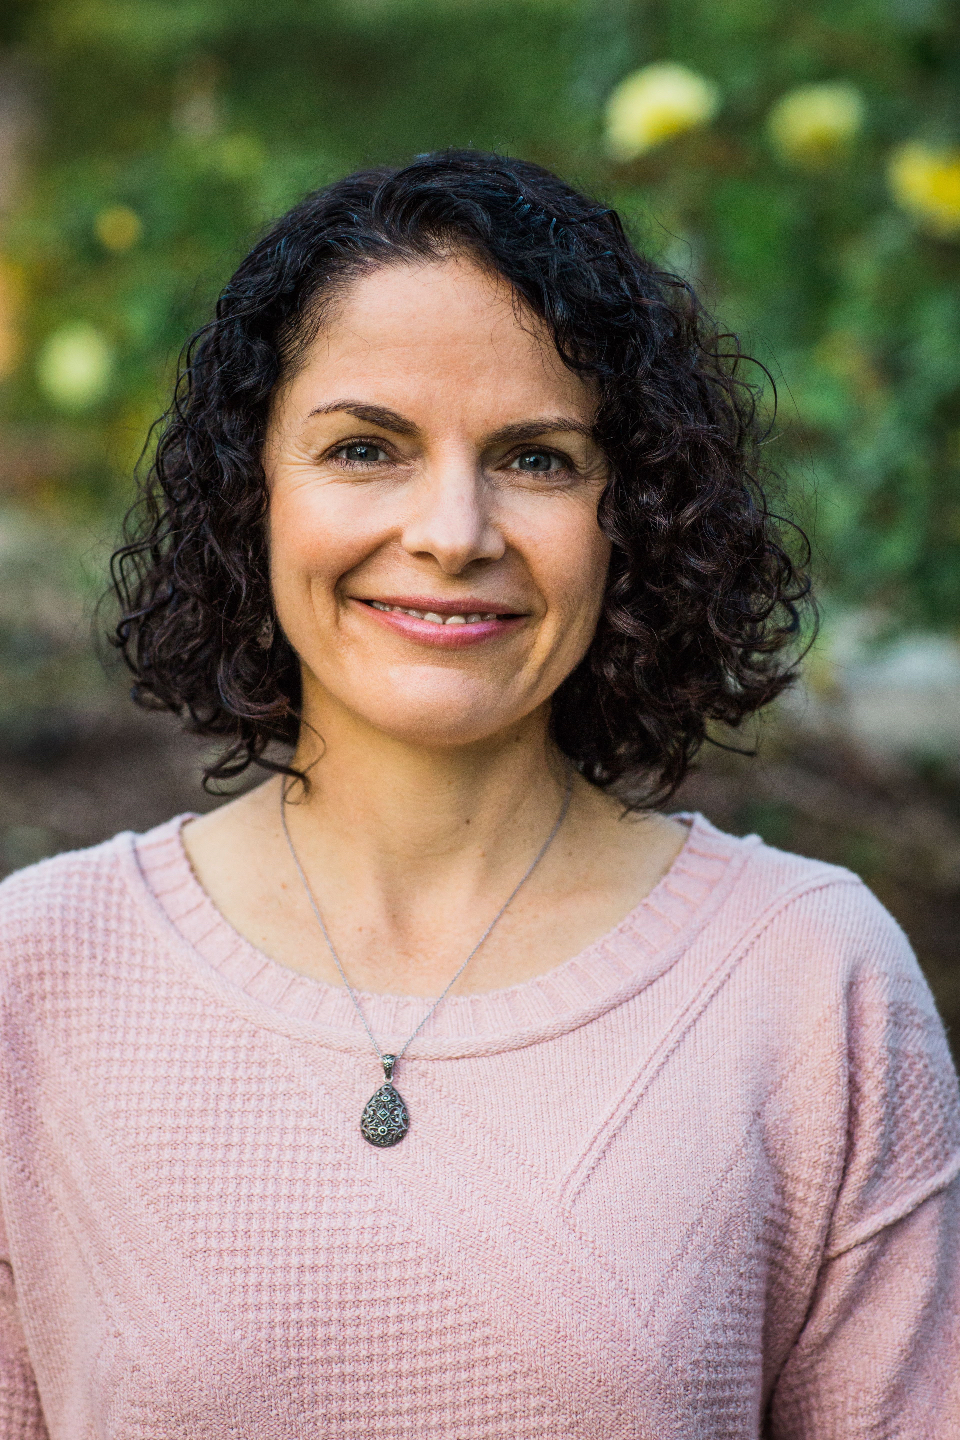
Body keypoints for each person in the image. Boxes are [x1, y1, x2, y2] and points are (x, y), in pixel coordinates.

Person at [0, 150, 957, 1438]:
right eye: (364, 448)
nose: (453, 532)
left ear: (636, 514)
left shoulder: (809, 979)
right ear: (252, 491)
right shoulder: (36, 975)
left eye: (539, 459)